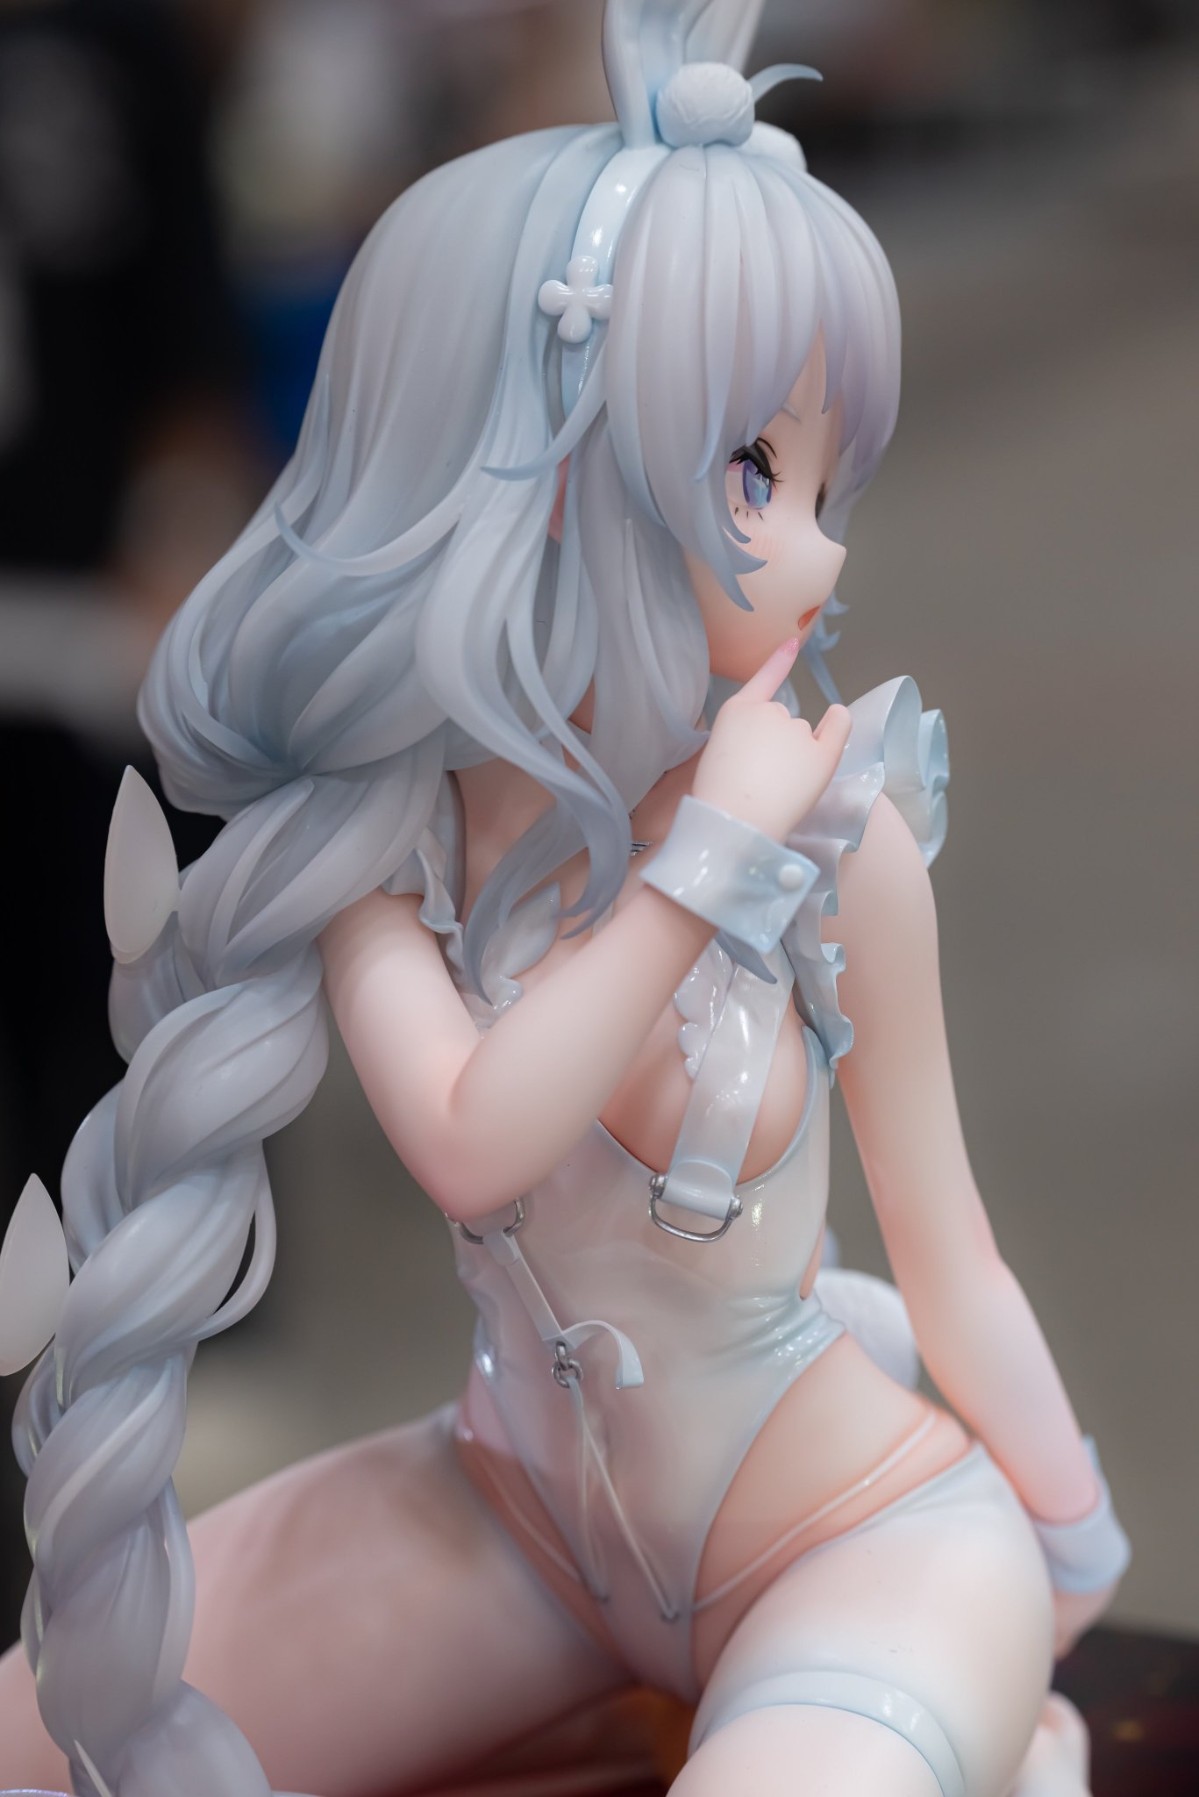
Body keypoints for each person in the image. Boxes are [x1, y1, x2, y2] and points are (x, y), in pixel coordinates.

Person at [0, 3, 1129, 1792]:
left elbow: (951, 1250)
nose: (823, 545)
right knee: (39, 1729)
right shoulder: (393, 838)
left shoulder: (837, 836)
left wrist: (1073, 1558)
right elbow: (473, 1135)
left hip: (858, 1536)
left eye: (827, 478)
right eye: (754, 469)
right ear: (537, 465)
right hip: (517, 1520)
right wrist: (699, 864)